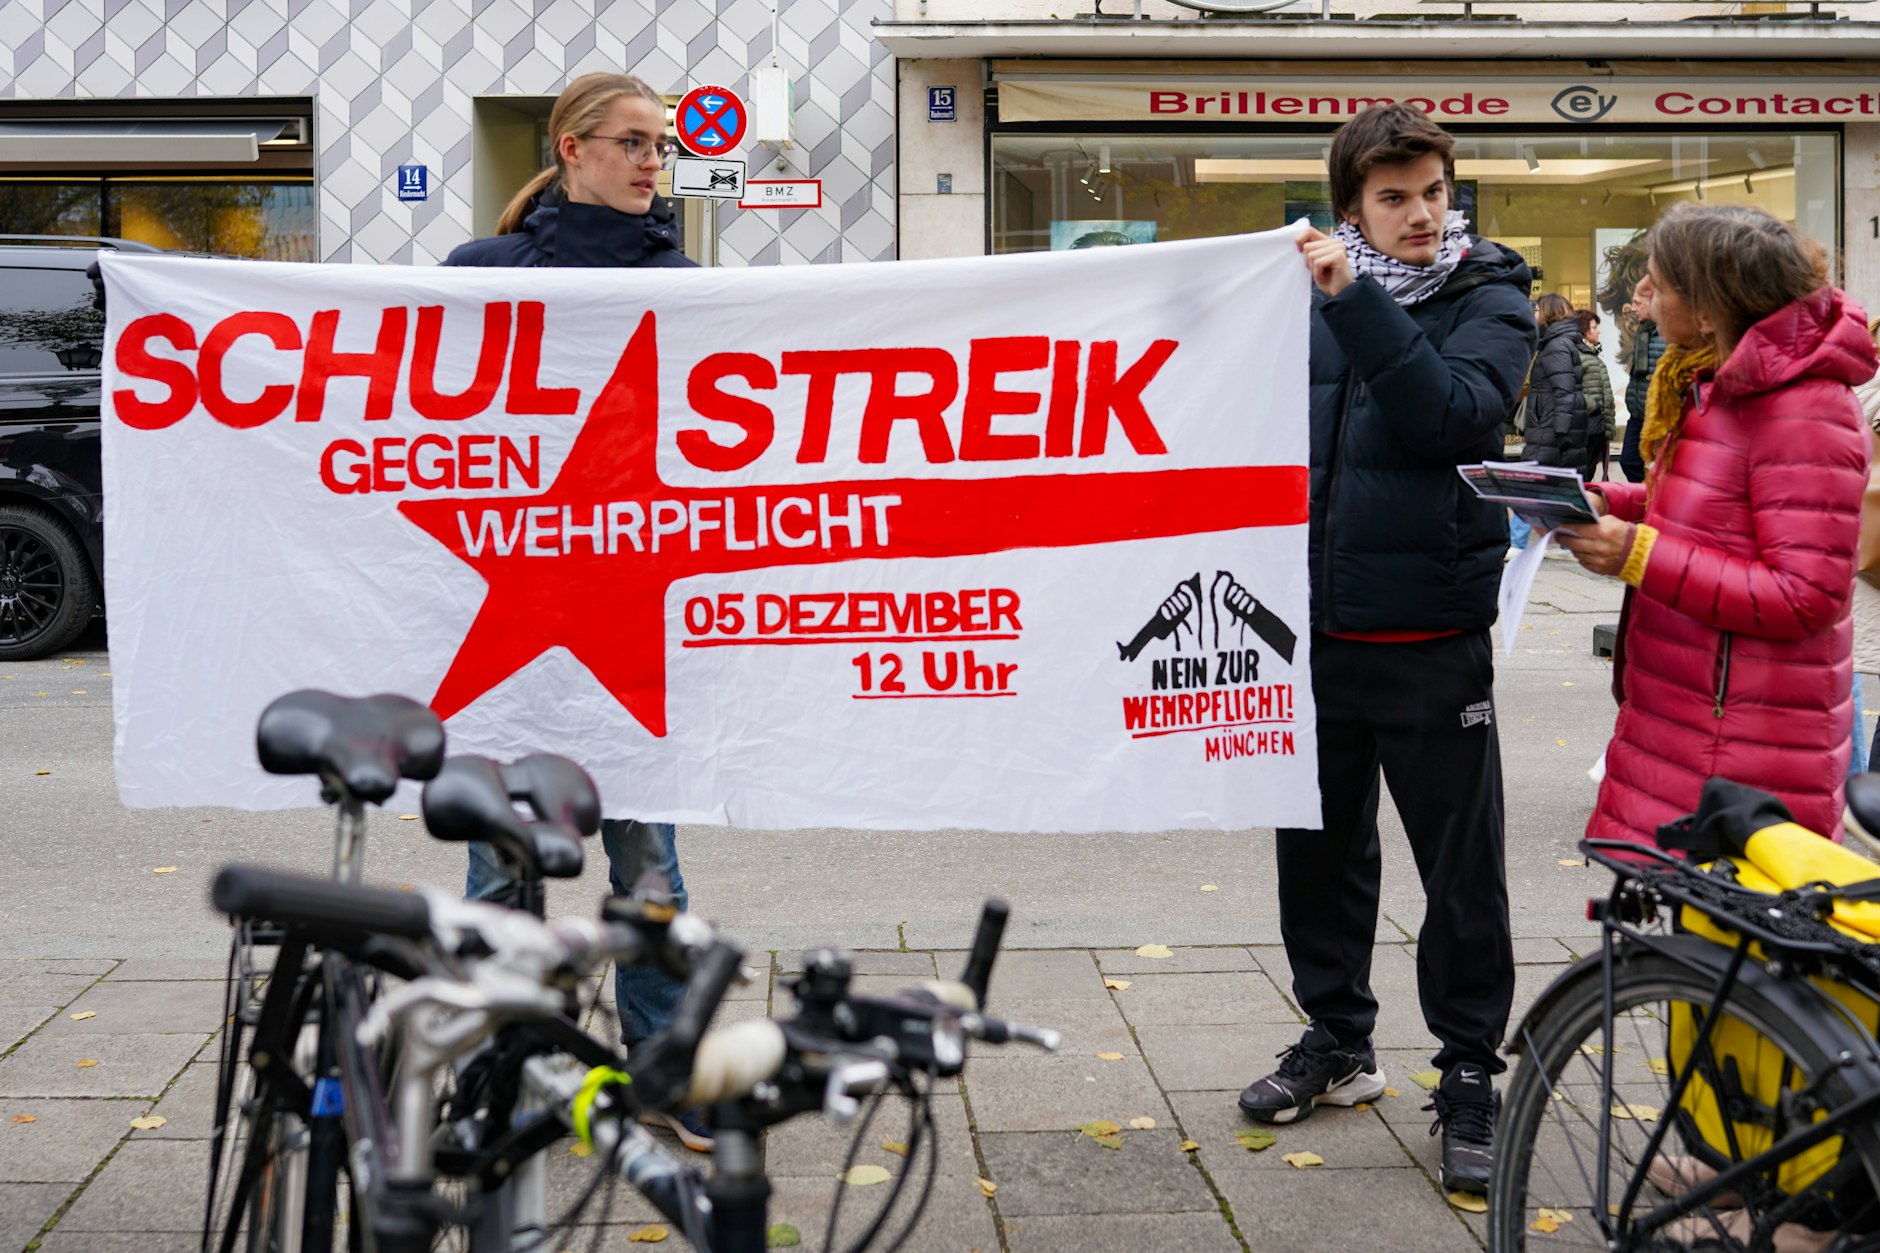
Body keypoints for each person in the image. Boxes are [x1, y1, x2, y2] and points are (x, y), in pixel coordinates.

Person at [1237, 103, 1535, 1198]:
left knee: (1458, 867)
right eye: (1393, 197)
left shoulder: (1490, 295)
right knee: (1316, 854)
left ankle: (1469, 1069)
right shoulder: (1300, 300)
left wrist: (1352, 303)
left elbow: (1448, 416)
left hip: (1429, 633)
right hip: (1310, 630)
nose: (1420, 215)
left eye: (1434, 192)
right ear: (1350, 208)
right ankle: (1337, 1038)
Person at [443, 72, 709, 1152]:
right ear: (571, 147)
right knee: (501, 864)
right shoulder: (480, 276)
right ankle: (504, 1066)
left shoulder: (682, 286)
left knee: (648, 867)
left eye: (662, 146)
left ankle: (662, 1073)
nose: (653, 163)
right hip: (507, 617)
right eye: (633, 142)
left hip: (629, 619)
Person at [1557, 203, 1874, 849]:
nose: (1645, 295)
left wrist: (1637, 555)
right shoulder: (1719, 381)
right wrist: (1607, 501)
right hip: (1689, 712)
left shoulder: (1805, 407)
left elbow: (1804, 595)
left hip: (1744, 735)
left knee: (1717, 910)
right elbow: (1709, 508)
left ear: (1707, 307)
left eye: (1659, 282)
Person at [1521, 293, 1592, 471]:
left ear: (1548, 313)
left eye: (1537, 310)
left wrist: (1561, 432)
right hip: (1550, 427)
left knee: (1542, 481)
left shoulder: (1556, 346)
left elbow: (1564, 392)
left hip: (1550, 431)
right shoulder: (1556, 343)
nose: (1534, 314)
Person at [1620, 295, 1666, 483]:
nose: (1633, 308)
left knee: (1659, 466)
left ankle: (1654, 495)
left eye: (1638, 303)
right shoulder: (1643, 330)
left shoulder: (1668, 332)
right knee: (1629, 460)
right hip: (1638, 414)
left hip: (1659, 417)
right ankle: (1646, 494)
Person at [1575, 309, 1616, 481]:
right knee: (1583, 476)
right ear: (1584, 331)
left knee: (1588, 475)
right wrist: (1595, 406)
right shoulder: (1577, 356)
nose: (1598, 331)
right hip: (1587, 427)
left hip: (1597, 429)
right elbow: (1570, 390)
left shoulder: (1593, 356)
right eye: (1594, 327)